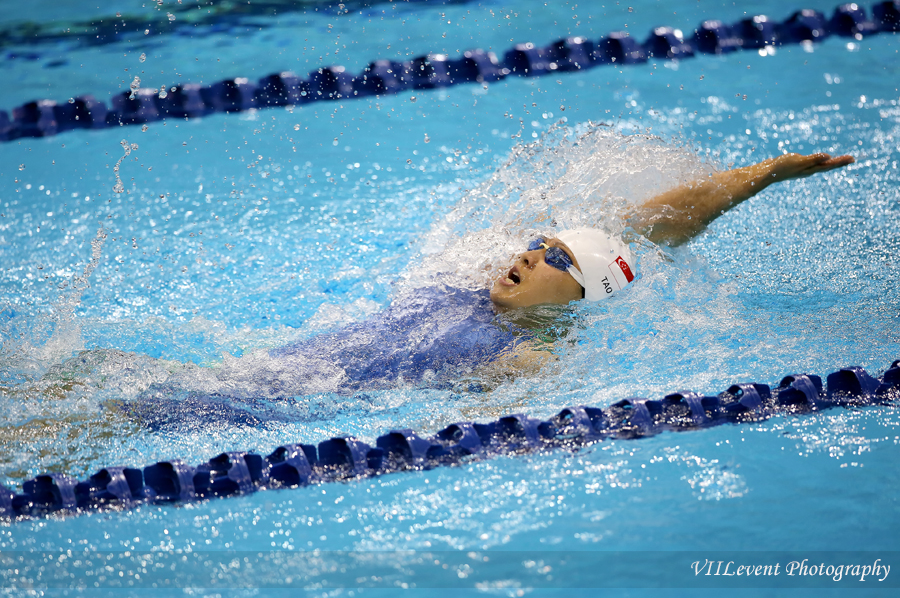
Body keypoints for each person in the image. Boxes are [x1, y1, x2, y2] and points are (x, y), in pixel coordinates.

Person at [119, 151, 855, 430]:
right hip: (259, 371)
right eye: (535, 244)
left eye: (552, 257)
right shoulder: (466, 285)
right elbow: (655, 221)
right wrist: (760, 176)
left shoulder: (529, 357)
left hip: (267, 408)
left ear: (577, 297)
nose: (528, 254)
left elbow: (495, 419)